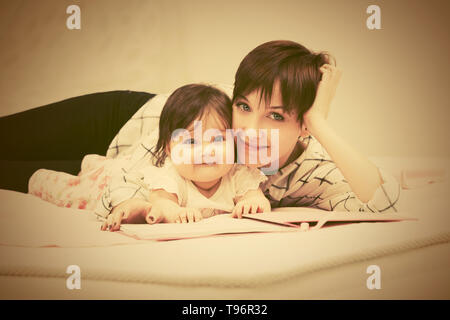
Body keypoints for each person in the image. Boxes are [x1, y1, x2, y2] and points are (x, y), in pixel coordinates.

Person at [102, 40, 400, 224]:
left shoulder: (312, 168)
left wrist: (319, 120)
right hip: (127, 117)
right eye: (244, 106)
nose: (249, 131)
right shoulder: (213, 116)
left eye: (275, 115)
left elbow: (383, 202)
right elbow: (121, 180)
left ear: (303, 126)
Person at [99, 84, 270, 231]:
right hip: (115, 128)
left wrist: (253, 204)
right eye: (192, 141)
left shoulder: (237, 174)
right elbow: (162, 205)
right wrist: (176, 212)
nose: (206, 151)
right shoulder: (171, 176)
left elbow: (255, 198)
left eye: (218, 139)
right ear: (169, 148)